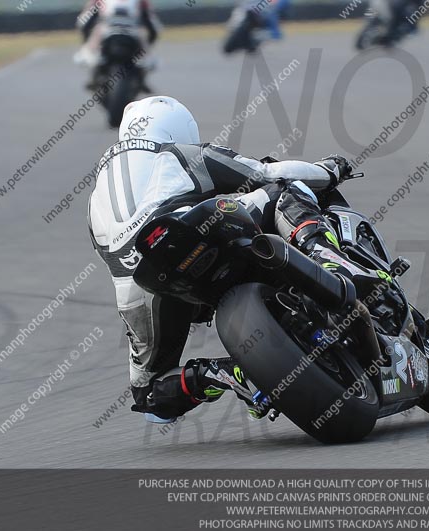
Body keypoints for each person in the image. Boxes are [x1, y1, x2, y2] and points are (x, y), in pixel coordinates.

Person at [87, 96, 354, 424]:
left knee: (147, 395)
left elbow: (107, 254)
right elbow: (264, 173)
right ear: (176, 129)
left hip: (140, 283)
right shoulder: (176, 153)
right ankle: (327, 260)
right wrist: (330, 170)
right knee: (285, 190)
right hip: (193, 228)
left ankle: (218, 374)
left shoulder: (95, 199)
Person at [75, 0, 161, 91]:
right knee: (97, 32)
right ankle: (89, 58)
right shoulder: (100, 19)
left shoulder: (140, 6)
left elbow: (152, 23)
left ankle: (143, 73)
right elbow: (85, 21)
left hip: (131, 30)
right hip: (108, 29)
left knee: (143, 38)